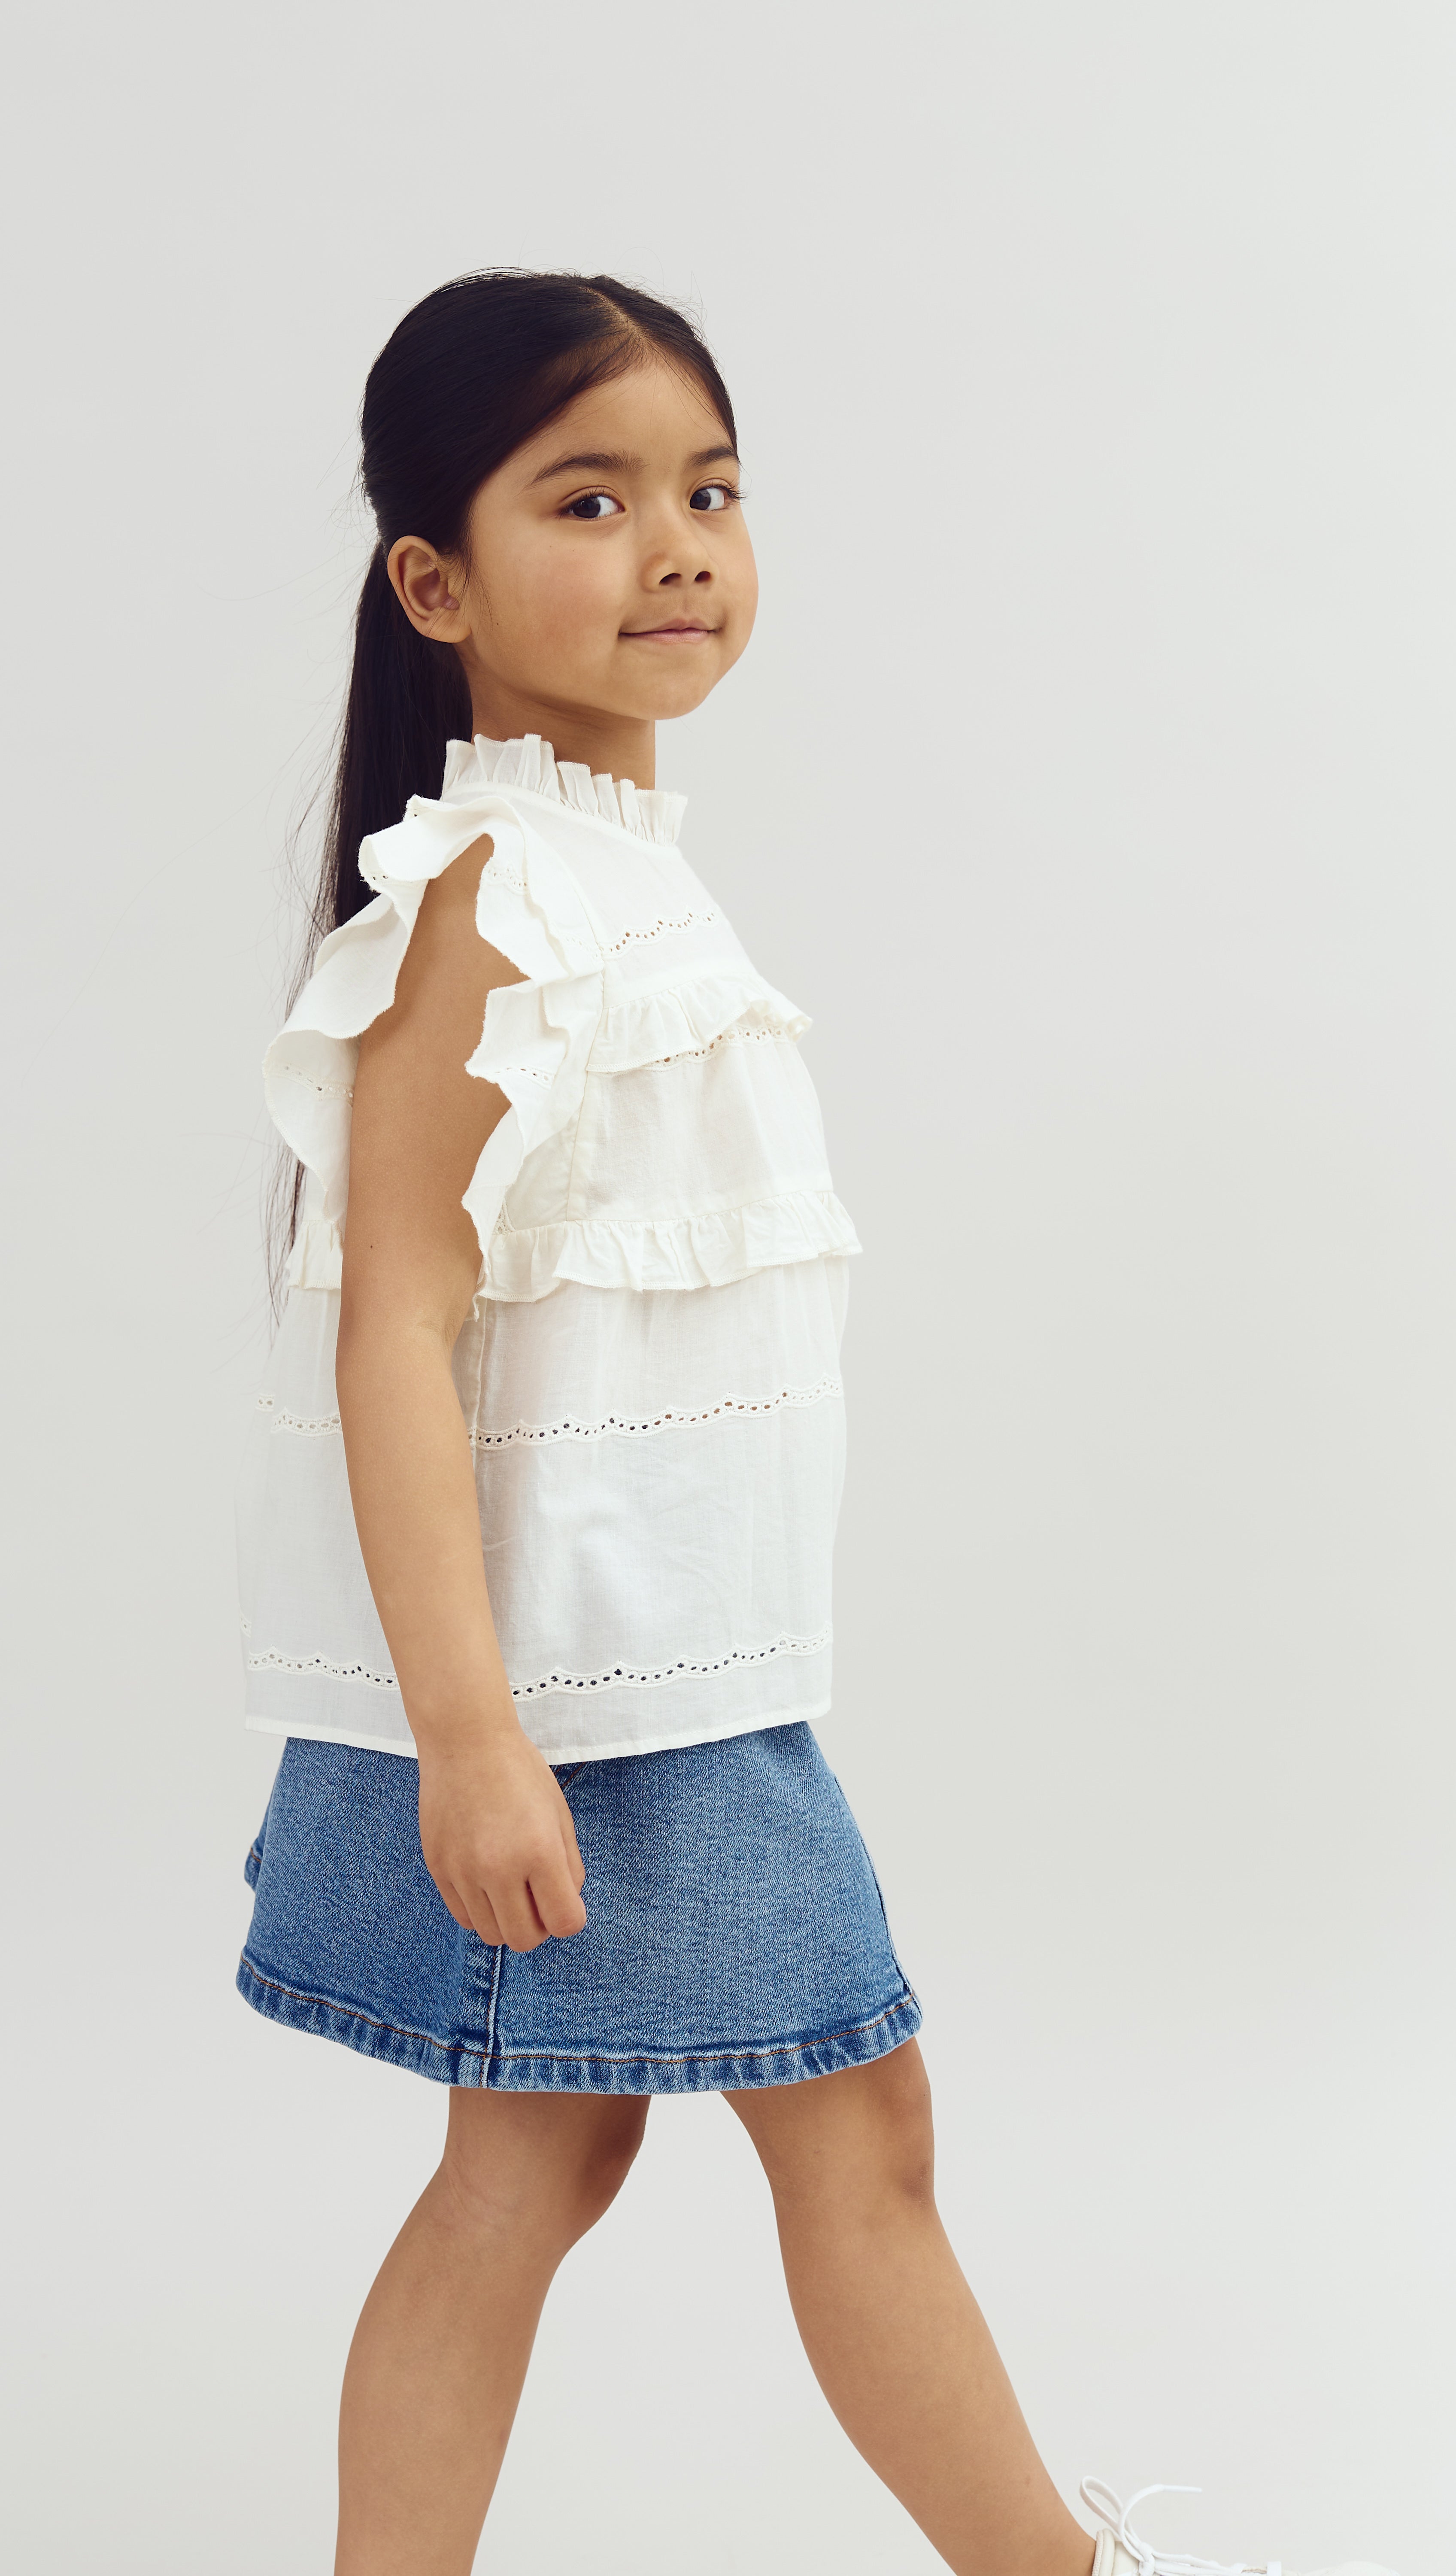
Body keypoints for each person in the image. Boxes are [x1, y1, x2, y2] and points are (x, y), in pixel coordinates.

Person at [232, 270, 1392, 2576]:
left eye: (710, 488)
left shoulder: (612, 872)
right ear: (436, 583)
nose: (676, 545)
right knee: (841, 2137)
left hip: (661, 1675)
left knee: (540, 2160)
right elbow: (393, 1329)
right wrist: (471, 1734)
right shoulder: (488, 903)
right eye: (593, 495)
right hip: (594, 1707)